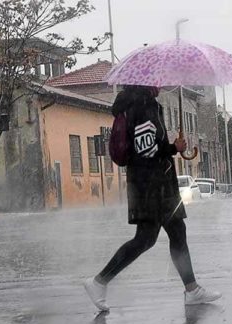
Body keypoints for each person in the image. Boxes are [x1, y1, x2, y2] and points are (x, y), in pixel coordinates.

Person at [84, 85, 221, 311]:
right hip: (150, 185)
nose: (159, 83)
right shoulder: (142, 105)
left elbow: (145, 147)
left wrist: (170, 148)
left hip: (153, 183)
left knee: (172, 232)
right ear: (145, 83)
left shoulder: (141, 104)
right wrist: (173, 148)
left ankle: (192, 289)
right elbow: (145, 150)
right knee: (147, 238)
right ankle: (99, 281)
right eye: (155, 80)